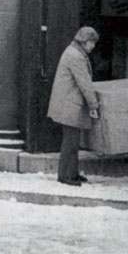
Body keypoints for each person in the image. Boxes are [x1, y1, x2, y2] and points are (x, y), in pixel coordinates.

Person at [47, 26, 101, 187]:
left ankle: (71, 173)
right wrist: (93, 104)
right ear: (84, 42)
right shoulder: (76, 56)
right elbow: (84, 82)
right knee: (70, 141)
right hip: (70, 105)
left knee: (72, 140)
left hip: (68, 103)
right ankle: (65, 175)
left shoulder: (74, 51)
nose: (94, 46)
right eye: (92, 42)